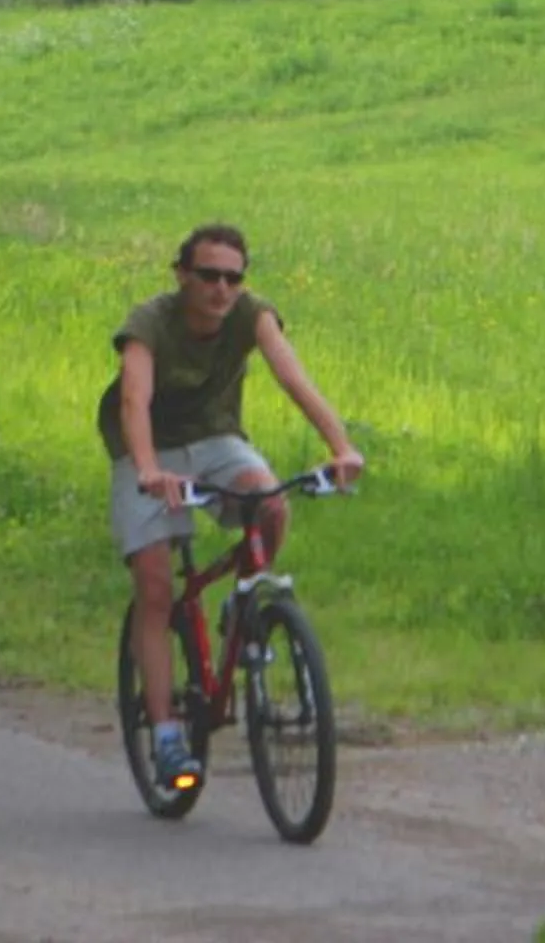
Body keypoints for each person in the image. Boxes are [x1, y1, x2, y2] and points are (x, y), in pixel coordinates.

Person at [99, 222, 362, 793]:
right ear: (182, 276)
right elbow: (133, 399)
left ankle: (245, 612)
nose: (221, 288)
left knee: (269, 504)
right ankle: (167, 735)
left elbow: (294, 379)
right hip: (146, 448)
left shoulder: (251, 314)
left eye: (233, 278)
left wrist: (340, 447)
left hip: (216, 437)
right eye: (209, 275)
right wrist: (148, 469)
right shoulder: (150, 323)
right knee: (155, 586)